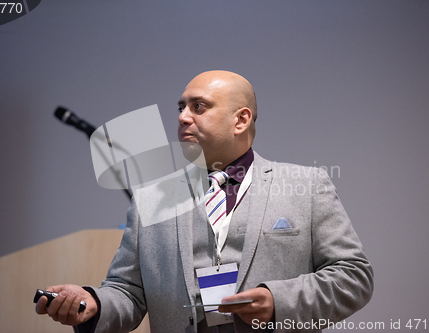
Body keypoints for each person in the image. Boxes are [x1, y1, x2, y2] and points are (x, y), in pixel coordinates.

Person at [36, 70, 373, 332]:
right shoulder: (153, 197)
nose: (183, 117)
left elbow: (353, 276)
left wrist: (278, 301)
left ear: (240, 119)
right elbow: (127, 292)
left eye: (198, 107)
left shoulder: (306, 185)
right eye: (181, 107)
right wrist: (92, 302)